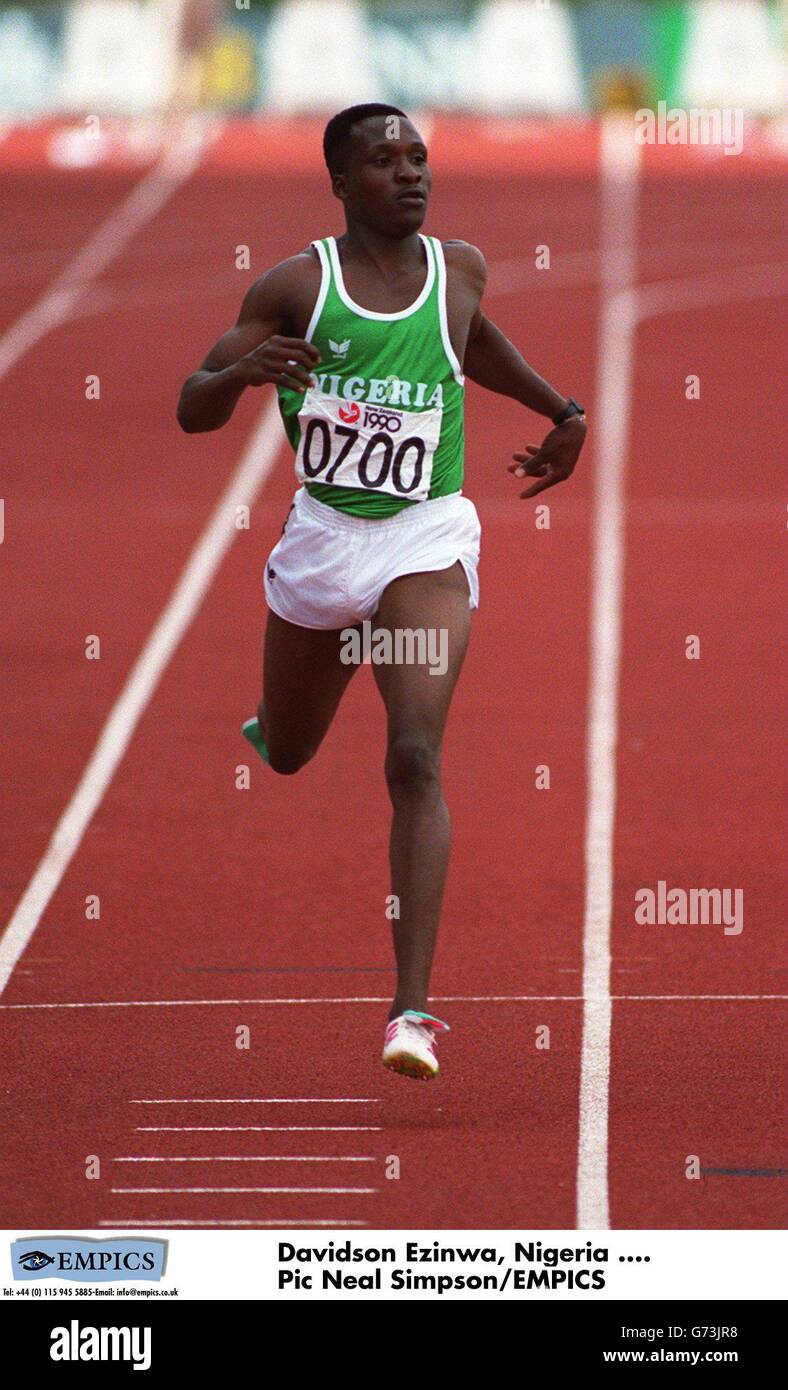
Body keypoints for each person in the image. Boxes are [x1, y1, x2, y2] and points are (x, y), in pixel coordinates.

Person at [177, 103, 587, 1080]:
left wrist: (559, 410)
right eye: (382, 160)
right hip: (323, 544)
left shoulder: (459, 269)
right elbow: (190, 405)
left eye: (417, 157)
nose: (409, 174)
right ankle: (301, 693)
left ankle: (412, 1012)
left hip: (423, 537)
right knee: (286, 751)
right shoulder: (295, 286)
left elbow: (468, 342)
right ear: (338, 182)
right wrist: (240, 373)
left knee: (411, 755)